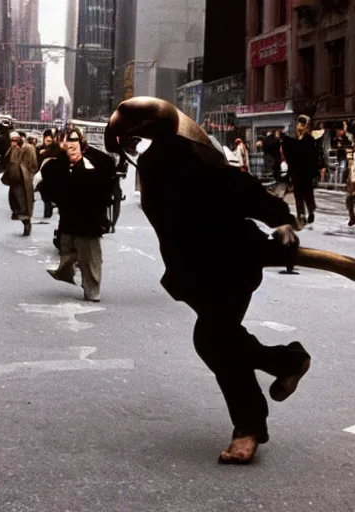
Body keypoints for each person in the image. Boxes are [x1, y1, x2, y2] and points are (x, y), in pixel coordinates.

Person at [106, 97, 312, 464]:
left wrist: (280, 222)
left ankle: (250, 425)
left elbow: (246, 190)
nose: (135, 142)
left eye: (139, 133)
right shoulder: (152, 164)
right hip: (192, 274)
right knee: (221, 342)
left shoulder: (193, 158)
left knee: (212, 338)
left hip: (231, 265)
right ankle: (286, 362)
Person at [40, 128, 114, 301]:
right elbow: (50, 182)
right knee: (67, 253)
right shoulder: (56, 162)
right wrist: (65, 159)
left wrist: (81, 160)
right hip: (69, 219)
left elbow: (106, 178)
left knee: (90, 258)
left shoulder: (96, 161)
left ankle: (92, 291)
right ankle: (66, 272)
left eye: (74, 140)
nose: (71, 145)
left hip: (90, 220)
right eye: (67, 141)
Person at [281, 115, 325, 225]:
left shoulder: (309, 139)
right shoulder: (291, 139)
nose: (301, 126)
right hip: (296, 170)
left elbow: (315, 155)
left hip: (305, 171)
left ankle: (309, 211)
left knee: (307, 192)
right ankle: (301, 213)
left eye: (303, 124)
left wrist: (316, 169)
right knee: (298, 193)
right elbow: (288, 155)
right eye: (300, 123)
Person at [1, 131, 38, 235]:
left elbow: (33, 165)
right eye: (12, 140)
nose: (13, 142)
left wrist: (28, 175)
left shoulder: (28, 148)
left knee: (23, 204)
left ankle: (27, 224)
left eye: (15, 140)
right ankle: (25, 222)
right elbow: (6, 161)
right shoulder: (12, 148)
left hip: (23, 180)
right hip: (15, 179)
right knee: (16, 203)